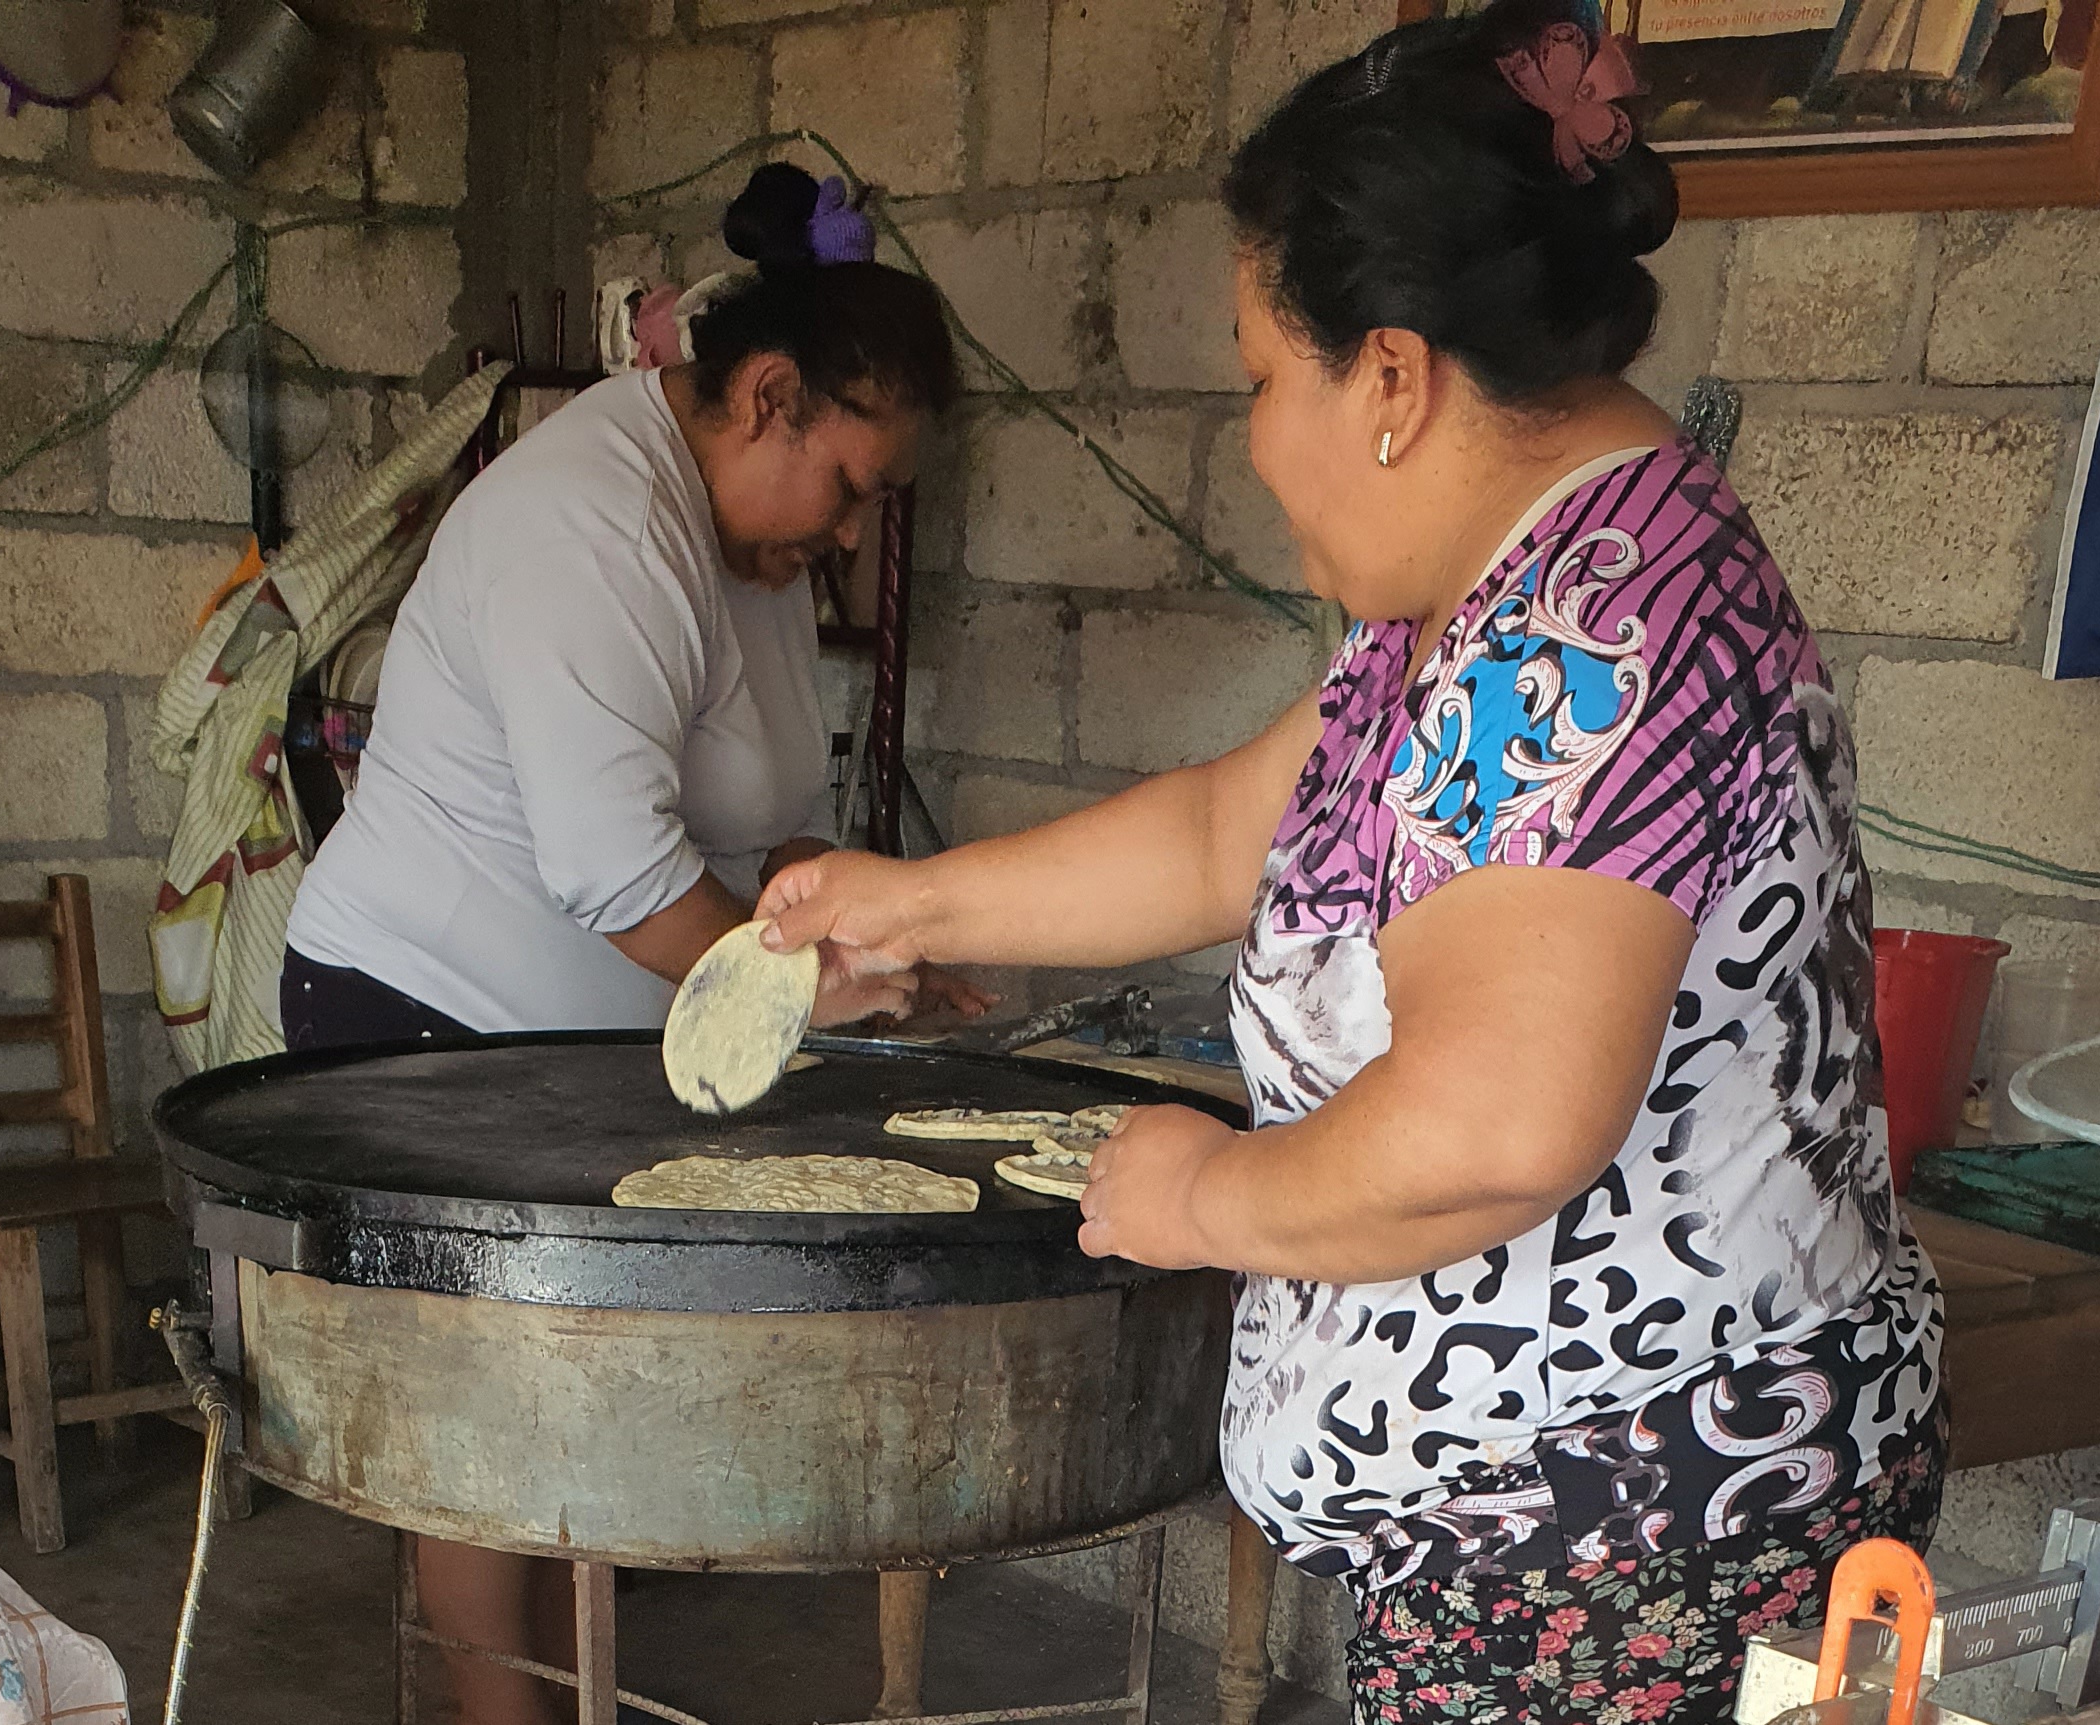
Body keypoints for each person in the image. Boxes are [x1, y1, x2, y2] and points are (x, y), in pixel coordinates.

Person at [759, 7, 1945, 1720]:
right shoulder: (1485, 593)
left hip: (1635, 1566)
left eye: (1258, 378)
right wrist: (908, 898)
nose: (1250, 445)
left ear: (1390, 375)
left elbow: (1494, 1126)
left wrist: (1204, 1198)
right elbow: (1226, 833)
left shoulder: (1584, 634)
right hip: (1552, 1547)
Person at [279, 162, 984, 1724]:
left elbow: (749, 826)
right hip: (425, 1017)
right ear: (769, 395)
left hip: (572, 1037)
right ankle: (504, 1709)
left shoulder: (752, 550)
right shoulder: (589, 525)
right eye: (853, 485)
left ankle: (556, 1688)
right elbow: (623, 876)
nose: (857, 530)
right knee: (485, 1418)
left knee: (565, 1402)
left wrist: (886, 915)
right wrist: (809, 991)